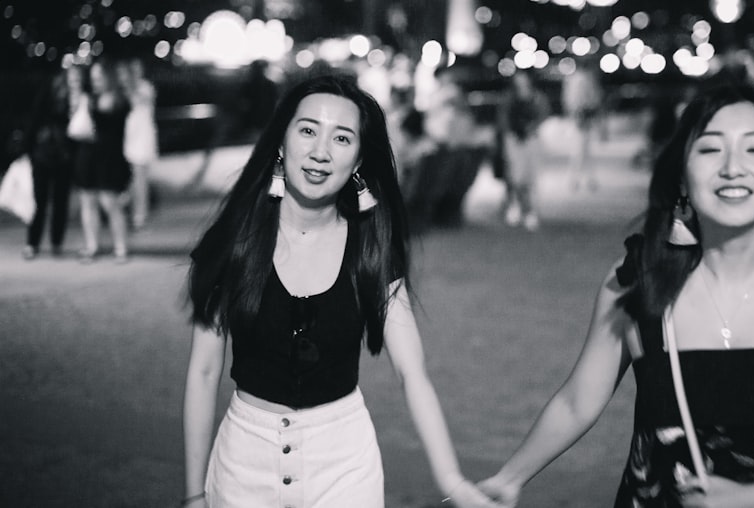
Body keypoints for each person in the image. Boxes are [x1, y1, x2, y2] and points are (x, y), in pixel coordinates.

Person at [478, 78, 754, 507]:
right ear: (682, 177)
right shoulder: (638, 281)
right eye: (710, 149)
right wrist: (509, 479)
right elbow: (578, 401)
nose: (732, 167)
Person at [180, 71, 497, 508]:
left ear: (359, 161)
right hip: (241, 465)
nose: (320, 152)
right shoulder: (235, 243)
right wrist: (194, 494)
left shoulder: (372, 248)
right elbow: (202, 372)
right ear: (281, 141)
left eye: (342, 138)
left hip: (344, 464)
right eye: (308, 130)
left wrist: (452, 480)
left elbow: (413, 373)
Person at [19, 64, 83, 259]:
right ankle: (33, 242)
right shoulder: (50, 91)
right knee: (40, 200)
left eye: (77, 79)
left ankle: (56, 242)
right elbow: (35, 118)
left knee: (60, 201)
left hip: (64, 156)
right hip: (44, 153)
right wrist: (25, 150)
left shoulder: (81, 98)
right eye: (70, 78)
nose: (73, 83)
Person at [72, 59, 132, 264]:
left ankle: (120, 247)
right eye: (93, 77)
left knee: (110, 203)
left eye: (99, 77)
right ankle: (92, 246)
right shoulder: (89, 99)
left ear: (109, 77)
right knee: (87, 202)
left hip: (109, 159)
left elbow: (115, 130)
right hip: (87, 157)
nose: (95, 81)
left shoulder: (120, 100)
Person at [496, 70, 550, 230]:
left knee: (530, 176)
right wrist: (513, 132)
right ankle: (516, 208)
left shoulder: (537, 97)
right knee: (515, 176)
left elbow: (543, 114)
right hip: (514, 140)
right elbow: (503, 119)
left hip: (531, 139)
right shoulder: (509, 98)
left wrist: (531, 127)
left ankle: (530, 211)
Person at [116, 57, 159, 229]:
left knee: (140, 178)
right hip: (130, 137)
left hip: (143, 137)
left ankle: (139, 215)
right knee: (134, 178)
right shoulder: (124, 89)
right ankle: (129, 209)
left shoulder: (145, 87)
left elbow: (144, 99)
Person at [561, 61, 604, 191]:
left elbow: (569, 100)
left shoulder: (574, 79)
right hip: (581, 119)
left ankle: (583, 179)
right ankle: (578, 179)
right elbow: (587, 100)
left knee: (583, 151)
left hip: (581, 118)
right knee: (580, 151)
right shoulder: (582, 80)